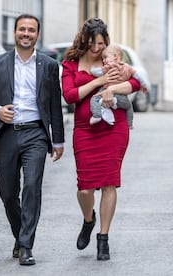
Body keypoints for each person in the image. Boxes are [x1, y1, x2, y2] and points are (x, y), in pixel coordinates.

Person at [0, 14, 65, 266]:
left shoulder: (49, 65)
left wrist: (57, 140)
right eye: (22, 29)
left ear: (38, 34)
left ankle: (26, 246)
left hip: (35, 133)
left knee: (31, 187)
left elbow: (54, 105)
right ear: (14, 32)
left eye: (31, 30)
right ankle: (20, 235)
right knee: (8, 194)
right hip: (6, 133)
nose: (26, 34)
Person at [61, 18, 141, 261]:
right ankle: (89, 219)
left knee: (109, 182)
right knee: (85, 187)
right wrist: (99, 82)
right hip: (85, 129)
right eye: (91, 43)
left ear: (105, 41)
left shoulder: (113, 60)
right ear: (83, 40)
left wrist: (113, 89)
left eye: (100, 43)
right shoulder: (71, 64)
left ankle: (103, 238)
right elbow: (69, 95)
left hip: (114, 128)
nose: (96, 48)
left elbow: (136, 82)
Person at [89, 44, 149, 127]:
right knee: (129, 107)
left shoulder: (109, 66)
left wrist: (91, 69)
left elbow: (97, 72)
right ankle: (130, 123)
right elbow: (138, 76)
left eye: (105, 57)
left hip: (107, 92)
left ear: (115, 56)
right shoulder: (128, 67)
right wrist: (144, 84)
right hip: (122, 96)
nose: (103, 61)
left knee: (95, 99)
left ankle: (97, 115)